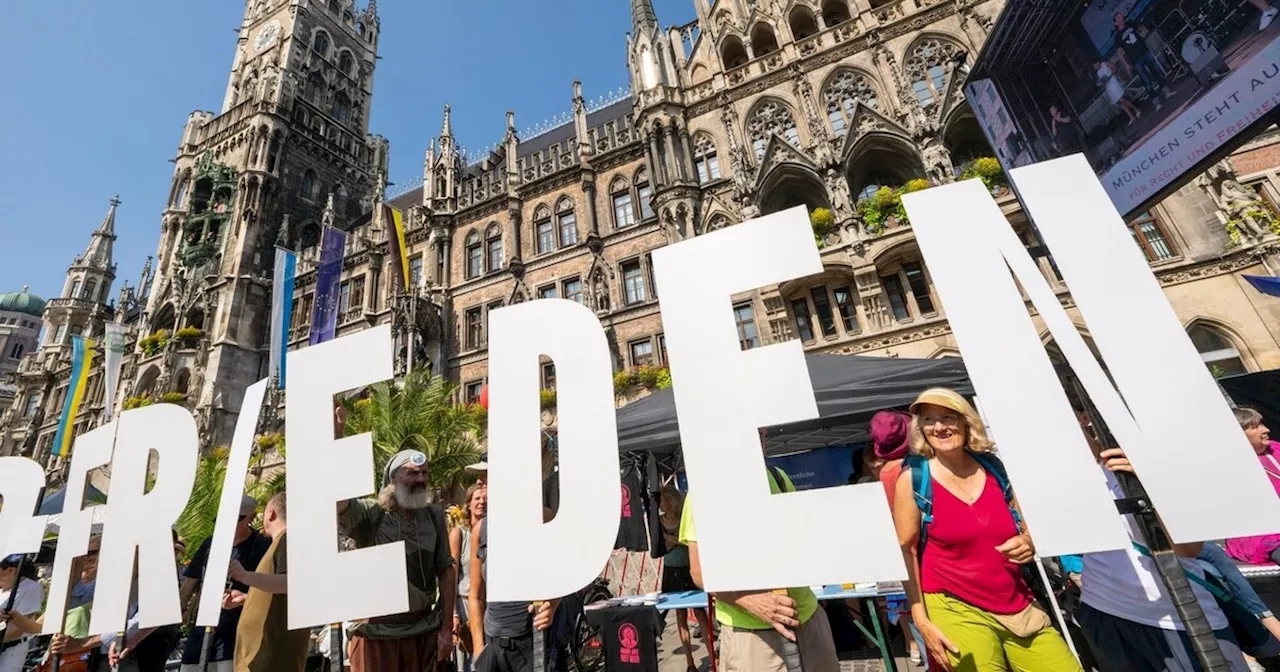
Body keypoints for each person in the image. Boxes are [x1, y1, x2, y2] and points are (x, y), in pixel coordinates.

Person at [894, 388, 1080, 672]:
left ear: (966, 422)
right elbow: (906, 550)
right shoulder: (913, 479)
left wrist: (1028, 540)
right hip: (954, 604)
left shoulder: (995, 468)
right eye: (929, 420)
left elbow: (1028, 523)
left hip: (1015, 599)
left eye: (948, 417)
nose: (939, 427)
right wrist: (921, 620)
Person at [1076, 443, 1252, 671]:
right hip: (1104, 611)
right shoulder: (1067, 469)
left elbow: (1190, 548)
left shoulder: (1157, 456)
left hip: (1184, 616)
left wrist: (1150, 487)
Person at [679, 427, 841, 672]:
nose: (759, 441)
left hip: (808, 619)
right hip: (752, 635)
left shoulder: (777, 477)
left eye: (761, 434)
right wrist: (750, 600)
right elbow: (700, 572)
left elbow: (801, 538)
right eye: (749, 434)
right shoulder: (705, 490)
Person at [337, 449, 456, 671]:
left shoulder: (434, 515)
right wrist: (338, 439)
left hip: (423, 631)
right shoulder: (372, 513)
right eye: (412, 473)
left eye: (424, 473)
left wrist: (447, 628)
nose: (420, 479)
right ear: (393, 479)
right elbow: (339, 504)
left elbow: (446, 571)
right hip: (377, 635)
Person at [179, 495, 273, 672]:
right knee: (189, 667)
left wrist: (245, 596)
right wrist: (182, 608)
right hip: (203, 625)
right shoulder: (210, 544)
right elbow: (191, 581)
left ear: (251, 518)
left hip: (237, 629)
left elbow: (270, 586)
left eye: (237, 520)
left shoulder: (261, 546)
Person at [219, 492, 308, 672]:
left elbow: (292, 583)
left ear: (271, 513)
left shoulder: (287, 539)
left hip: (270, 653)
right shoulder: (282, 542)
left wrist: (244, 576)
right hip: (262, 654)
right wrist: (248, 598)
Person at [871, 410, 928, 668]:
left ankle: (921, 654)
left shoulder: (884, 474)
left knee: (915, 613)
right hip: (926, 554)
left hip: (903, 556)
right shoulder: (917, 468)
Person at [469, 515, 558, 672]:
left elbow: (564, 572)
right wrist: (478, 648)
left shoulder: (543, 517)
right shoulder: (482, 528)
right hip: (492, 646)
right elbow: (475, 595)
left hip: (531, 644)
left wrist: (554, 603)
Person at [659, 486, 712, 672]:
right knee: (680, 616)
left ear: (671, 500)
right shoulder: (659, 520)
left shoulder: (685, 517)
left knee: (701, 616)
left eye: (663, 499)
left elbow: (686, 541)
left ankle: (713, 657)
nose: (660, 503)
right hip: (671, 570)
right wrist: (676, 539)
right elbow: (662, 546)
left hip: (689, 568)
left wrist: (671, 538)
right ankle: (690, 662)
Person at [1226, 408, 1280, 565]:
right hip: (1262, 533)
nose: (1266, 429)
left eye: (1261, 424)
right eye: (1256, 427)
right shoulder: (1231, 465)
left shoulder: (1275, 449)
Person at [453, 483, 487, 672]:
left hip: (487, 608)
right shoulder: (460, 534)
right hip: (465, 607)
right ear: (468, 504)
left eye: (485, 499)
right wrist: (453, 615)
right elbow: (451, 576)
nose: (482, 503)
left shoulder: (491, 534)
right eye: (477, 499)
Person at [1113, 12, 1172, 108]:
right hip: (1135, 60)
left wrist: (1144, 33)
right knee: (1146, 80)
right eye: (1118, 17)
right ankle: (1156, 101)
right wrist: (1126, 65)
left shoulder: (1130, 23)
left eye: (1121, 16)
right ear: (1116, 23)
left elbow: (1142, 28)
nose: (1121, 18)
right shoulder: (1117, 37)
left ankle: (1167, 91)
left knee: (1156, 72)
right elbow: (1119, 53)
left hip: (1145, 52)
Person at [0, 554, 44, 672]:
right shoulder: (2, 590)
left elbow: (18, 630)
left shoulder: (30, 588)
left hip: (9, 652)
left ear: (10, 570)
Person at [1095, 59, 1140, 124]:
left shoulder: (1105, 64)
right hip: (1108, 87)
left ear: (1097, 62)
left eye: (1095, 65)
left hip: (1113, 82)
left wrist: (1110, 75)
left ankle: (1136, 109)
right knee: (1119, 102)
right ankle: (1131, 116)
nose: (1095, 67)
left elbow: (1115, 68)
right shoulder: (1098, 72)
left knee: (1121, 99)